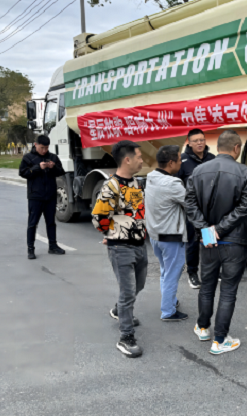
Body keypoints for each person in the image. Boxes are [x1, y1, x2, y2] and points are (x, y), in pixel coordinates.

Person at [185, 130, 247, 355]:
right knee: (228, 291)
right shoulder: (245, 172)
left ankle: (203, 328)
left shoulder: (198, 171)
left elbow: (190, 204)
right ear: (236, 148)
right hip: (235, 240)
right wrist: (220, 229)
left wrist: (207, 230)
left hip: (208, 240)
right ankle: (220, 340)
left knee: (207, 286)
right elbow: (245, 207)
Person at [92, 140, 147, 358]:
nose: (142, 160)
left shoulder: (134, 183)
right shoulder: (110, 187)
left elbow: (136, 211)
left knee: (138, 285)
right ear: (127, 159)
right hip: (121, 247)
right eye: (139, 157)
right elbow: (99, 219)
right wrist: (111, 234)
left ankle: (119, 311)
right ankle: (126, 337)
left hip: (139, 244)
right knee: (127, 292)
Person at [145, 145, 189, 322]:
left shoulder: (151, 177)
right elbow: (190, 204)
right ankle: (168, 311)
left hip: (155, 235)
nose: (181, 163)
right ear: (171, 163)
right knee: (172, 274)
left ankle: (170, 301)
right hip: (171, 236)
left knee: (165, 271)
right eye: (179, 160)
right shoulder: (173, 184)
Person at [177, 129, 216, 289]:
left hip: (210, 208)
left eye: (202, 139)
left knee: (209, 239)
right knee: (193, 241)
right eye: (196, 140)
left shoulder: (212, 159)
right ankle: (192, 273)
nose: (200, 143)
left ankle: (212, 271)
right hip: (192, 209)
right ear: (189, 143)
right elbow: (176, 183)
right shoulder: (183, 160)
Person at [19, 135, 66, 260]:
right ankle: (30, 249)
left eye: (46, 148)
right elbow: (23, 173)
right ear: (36, 144)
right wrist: (37, 168)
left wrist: (53, 167)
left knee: (51, 222)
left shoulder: (53, 157)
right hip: (35, 196)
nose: (44, 150)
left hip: (50, 196)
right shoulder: (28, 158)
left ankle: (53, 246)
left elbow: (61, 172)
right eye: (42, 147)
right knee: (33, 223)